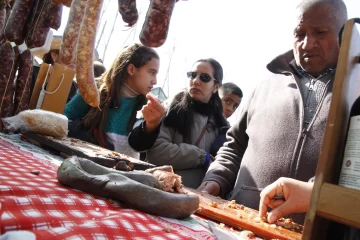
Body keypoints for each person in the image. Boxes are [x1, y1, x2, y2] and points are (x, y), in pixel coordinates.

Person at [197, 0, 348, 224]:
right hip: (238, 223)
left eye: (320, 32)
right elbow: (235, 145)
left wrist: (317, 193)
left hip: (317, 231)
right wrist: (216, 178)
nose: (307, 43)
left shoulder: (354, 90)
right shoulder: (265, 86)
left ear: (343, 34)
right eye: (300, 33)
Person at [129, 58, 229, 188]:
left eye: (204, 77)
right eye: (192, 75)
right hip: (160, 190)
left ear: (216, 87)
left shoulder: (221, 126)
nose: (196, 81)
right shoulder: (173, 108)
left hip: (198, 199)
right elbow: (158, 152)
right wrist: (200, 157)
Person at [64, 43, 160, 158]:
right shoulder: (94, 92)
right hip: (81, 163)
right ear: (131, 69)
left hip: (121, 172)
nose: (155, 81)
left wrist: (151, 126)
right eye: (152, 72)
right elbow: (63, 121)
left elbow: (137, 145)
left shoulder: (147, 107)